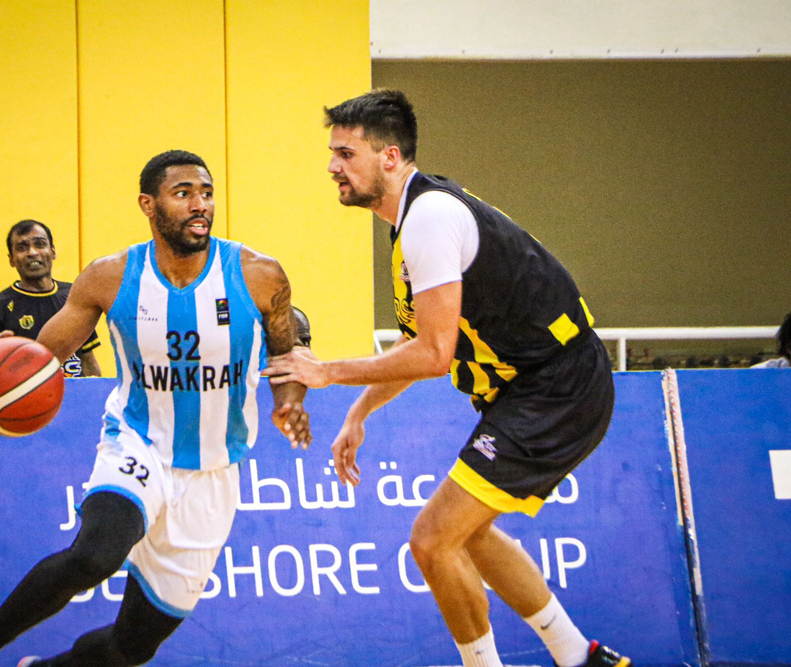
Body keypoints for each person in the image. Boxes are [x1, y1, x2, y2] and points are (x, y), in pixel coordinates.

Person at [264, 90, 629, 667]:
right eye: (332, 152)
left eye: (345, 153)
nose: (333, 165)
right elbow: (434, 342)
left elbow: (435, 354)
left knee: (432, 540)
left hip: (557, 386)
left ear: (389, 157)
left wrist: (327, 371)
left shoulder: (430, 218)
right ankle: (578, 656)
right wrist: (360, 412)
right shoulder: (414, 219)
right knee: (468, 535)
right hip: (535, 387)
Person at [0, 150, 311, 667]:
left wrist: (289, 402)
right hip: (138, 441)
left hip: (215, 471)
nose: (200, 205)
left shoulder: (260, 274)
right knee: (94, 555)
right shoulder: (109, 277)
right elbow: (42, 358)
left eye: (207, 193)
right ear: (148, 205)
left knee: (131, 648)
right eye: (184, 194)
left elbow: (287, 353)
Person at [0, 219, 102, 377]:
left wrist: (98, 397)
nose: (32, 252)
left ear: (53, 251)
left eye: (40, 244)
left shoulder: (74, 295)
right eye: (22, 248)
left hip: (74, 397)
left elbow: (87, 358)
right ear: (11, 259)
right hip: (24, 399)